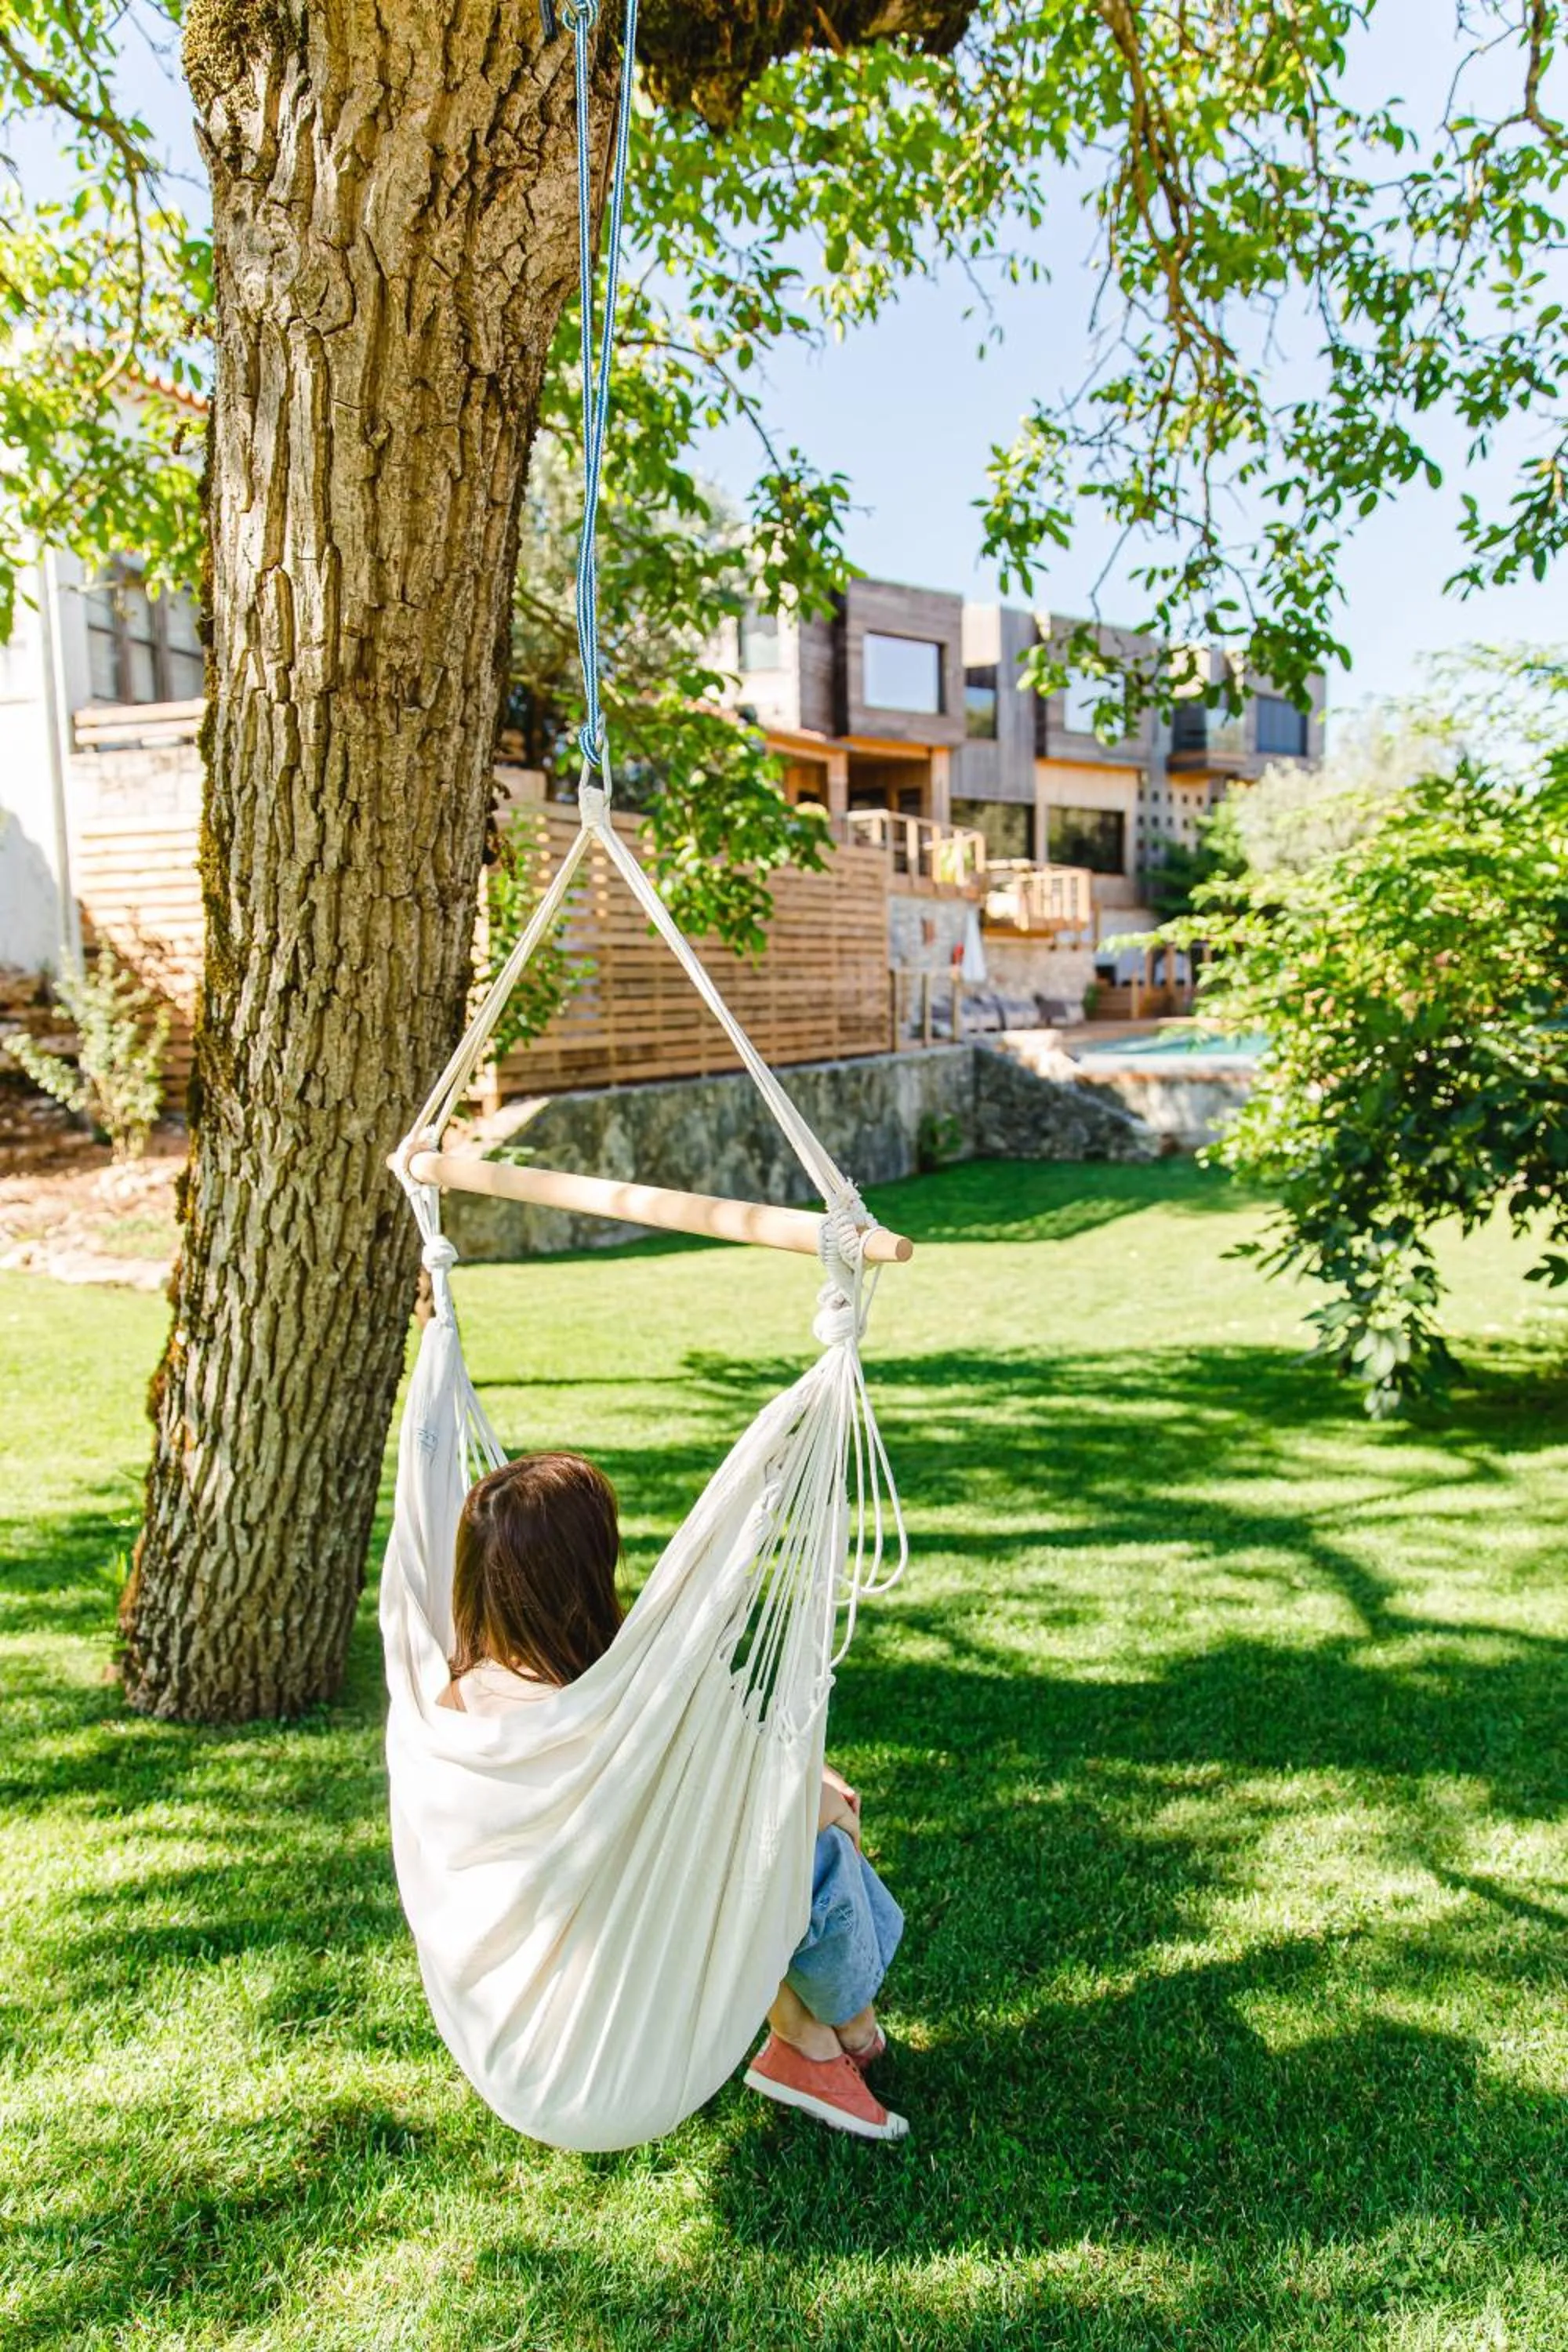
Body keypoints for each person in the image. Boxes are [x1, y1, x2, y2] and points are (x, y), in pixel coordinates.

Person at [437, 1450, 909, 2142]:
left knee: (789, 1826)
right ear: (582, 1572)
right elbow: (722, 1811)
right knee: (815, 1859)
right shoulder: (596, 1712)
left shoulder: (457, 1700)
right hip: (614, 1976)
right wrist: (820, 1804)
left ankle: (806, 2038)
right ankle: (849, 2029)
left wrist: (806, 1785)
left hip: (552, 1957)